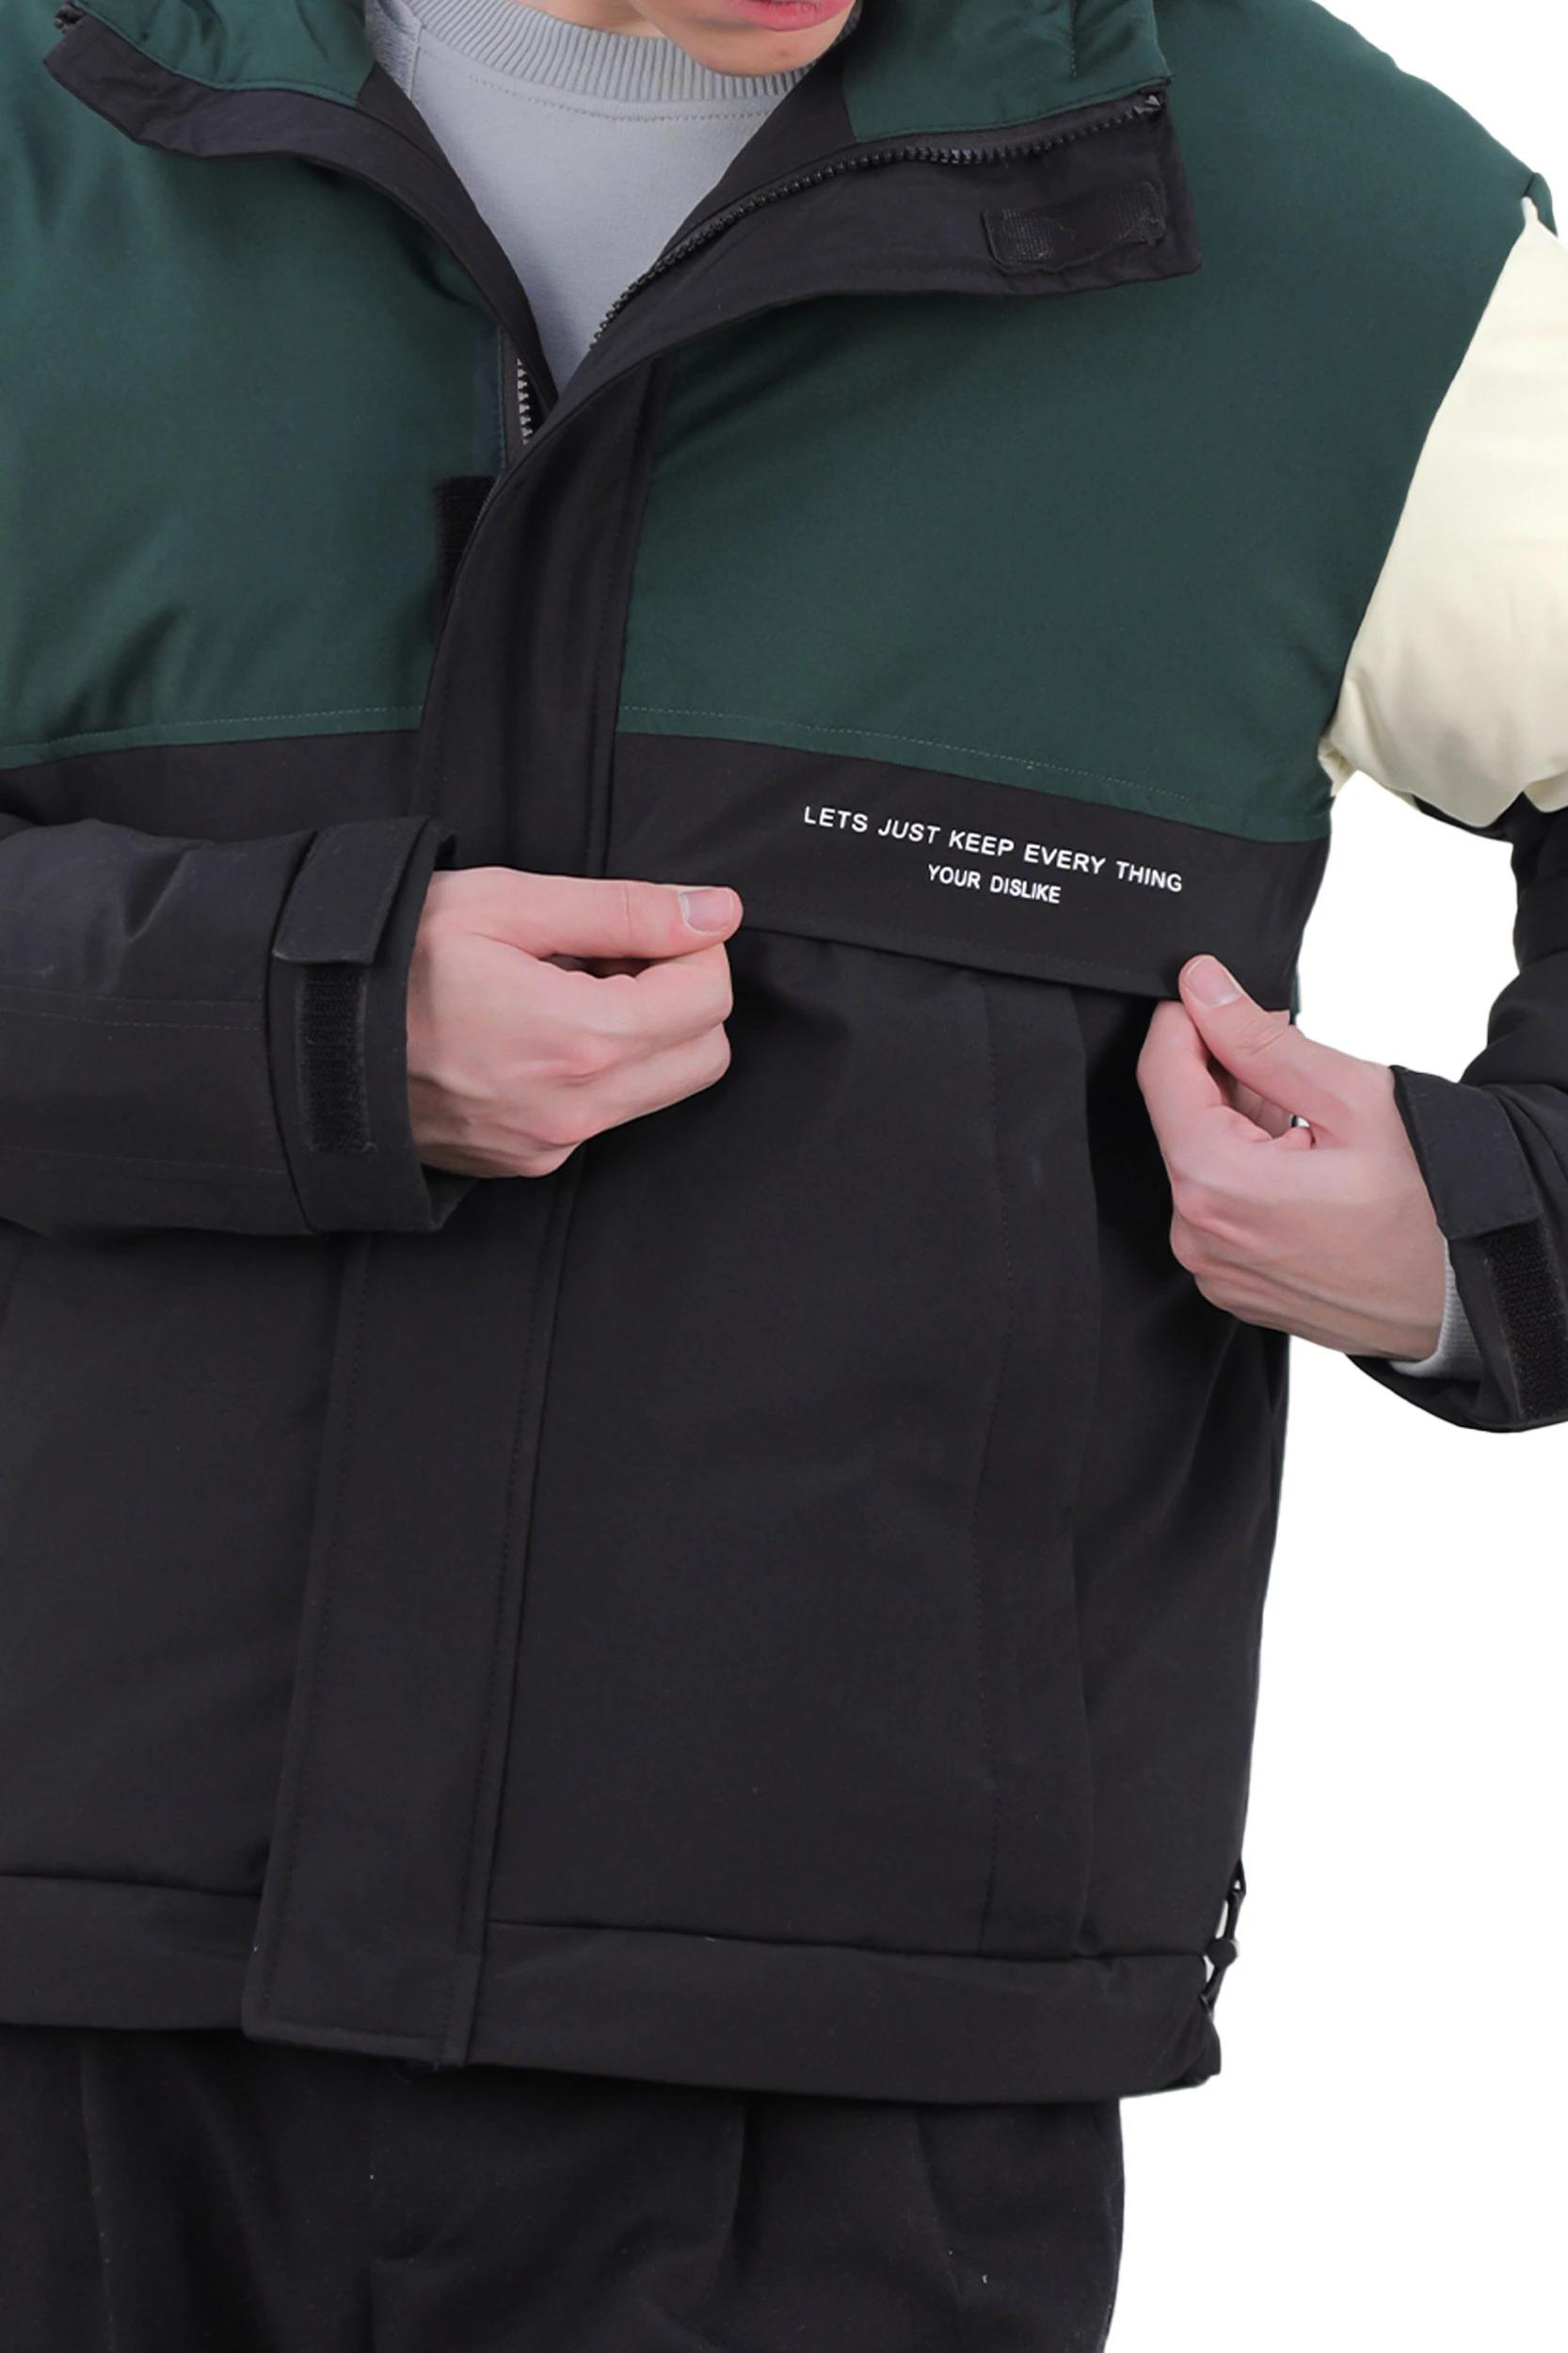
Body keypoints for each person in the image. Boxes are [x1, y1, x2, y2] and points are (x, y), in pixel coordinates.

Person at [0, 0, 1563, 2343]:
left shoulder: (1350, 237)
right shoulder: (38, 146)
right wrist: (273, 1013)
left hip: (831, 2071)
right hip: (57, 1992)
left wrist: (1482, 1226)